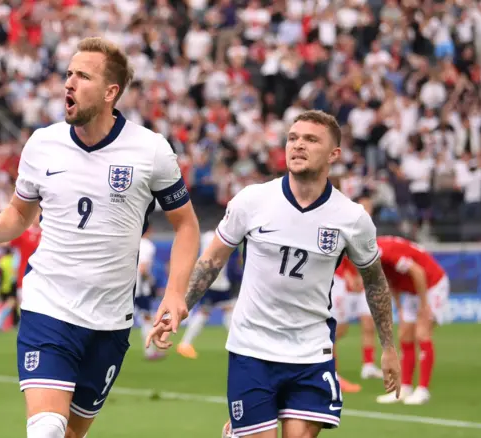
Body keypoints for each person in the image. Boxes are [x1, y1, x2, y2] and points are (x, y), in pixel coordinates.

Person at [0, 37, 200, 438]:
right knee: (46, 428)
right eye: (68, 74)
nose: (68, 83)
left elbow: (187, 225)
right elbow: (20, 213)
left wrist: (175, 293)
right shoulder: (42, 145)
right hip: (48, 306)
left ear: (109, 92)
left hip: (110, 321)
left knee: (70, 434)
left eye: (82, 76)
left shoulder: (151, 151)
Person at [148, 110, 400, 438]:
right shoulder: (253, 200)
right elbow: (212, 261)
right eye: (293, 138)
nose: (298, 145)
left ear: (334, 154)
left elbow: (375, 281)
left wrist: (389, 347)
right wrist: (180, 306)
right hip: (253, 348)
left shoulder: (352, 219)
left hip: (311, 351)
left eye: (311, 139)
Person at [374, 235, 448, 405]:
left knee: (422, 333)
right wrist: (399, 307)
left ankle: (422, 390)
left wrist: (424, 305)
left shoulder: (385, 252)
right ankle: (404, 388)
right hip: (410, 289)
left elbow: (418, 272)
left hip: (432, 284)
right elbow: (389, 280)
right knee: (405, 335)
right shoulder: (370, 256)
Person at [177, 229, 240, 359]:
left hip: (211, 280)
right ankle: (236, 344)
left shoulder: (207, 236)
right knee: (217, 311)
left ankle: (185, 343)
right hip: (217, 281)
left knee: (217, 311)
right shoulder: (226, 236)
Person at [330, 256, 383, 394]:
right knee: (333, 329)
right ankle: (331, 375)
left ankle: (368, 365)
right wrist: (347, 274)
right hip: (339, 280)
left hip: (357, 281)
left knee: (367, 325)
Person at [134, 225, 163, 360]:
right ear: (149, 230)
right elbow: (143, 269)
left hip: (125, 286)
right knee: (147, 319)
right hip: (140, 289)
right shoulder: (147, 245)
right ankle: (150, 352)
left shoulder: (132, 241)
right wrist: (151, 283)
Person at [0, 246, 18, 332]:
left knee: (13, 305)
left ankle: (15, 324)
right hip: (13, 285)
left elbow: (0, 275)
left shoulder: (2, 260)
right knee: (12, 304)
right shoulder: (14, 259)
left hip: (4, 287)